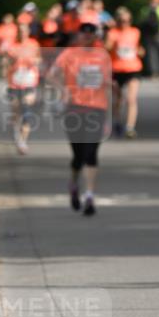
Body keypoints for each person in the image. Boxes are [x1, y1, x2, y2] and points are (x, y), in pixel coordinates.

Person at [47, 13, 112, 216]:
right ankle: (74, 184)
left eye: (90, 33)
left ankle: (90, 195)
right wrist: (63, 89)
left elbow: (108, 84)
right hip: (74, 109)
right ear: (79, 35)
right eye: (83, 33)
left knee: (91, 153)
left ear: (95, 36)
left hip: (97, 108)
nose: (86, 36)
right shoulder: (69, 54)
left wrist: (111, 100)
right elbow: (50, 75)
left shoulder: (102, 55)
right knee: (78, 156)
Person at [105, 7, 144, 139]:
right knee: (118, 100)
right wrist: (113, 43)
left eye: (127, 21)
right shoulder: (113, 33)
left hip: (133, 68)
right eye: (121, 21)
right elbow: (107, 48)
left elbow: (139, 48)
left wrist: (140, 51)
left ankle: (130, 128)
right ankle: (117, 122)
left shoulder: (135, 32)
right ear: (117, 21)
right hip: (116, 69)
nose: (124, 23)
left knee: (131, 99)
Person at [4, 21, 41, 155]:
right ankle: (16, 132)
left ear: (28, 31)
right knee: (16, 110)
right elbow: (6, 63)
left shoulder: (33, 44)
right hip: (15, 82)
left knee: (26, 110)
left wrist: (34, 61)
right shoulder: (12, 46)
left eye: (24, 30)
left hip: (29, 82)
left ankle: (22, 141)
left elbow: (39, 59)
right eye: (19, 30)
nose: (22, 32)